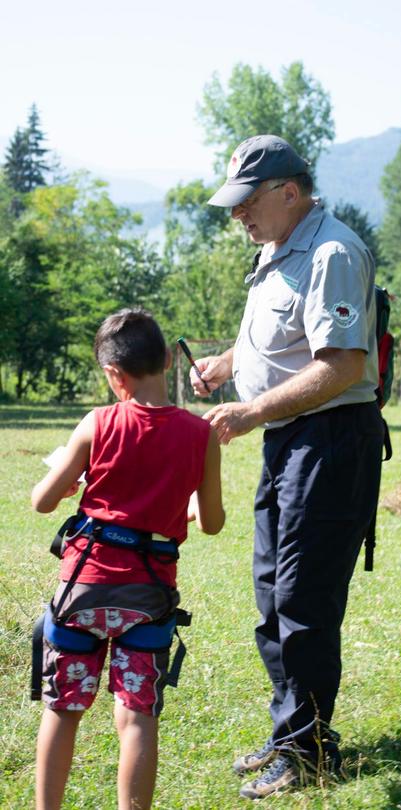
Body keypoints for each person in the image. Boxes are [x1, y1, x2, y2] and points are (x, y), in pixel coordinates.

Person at [190, 135, 384, 800]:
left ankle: (305, 754)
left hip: (329, 442)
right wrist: (226, 366)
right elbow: (284, 342)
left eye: (248, 202)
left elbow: (341, 367)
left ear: (290, 192)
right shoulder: (277, 250)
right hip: (290, 442)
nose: (238, 215)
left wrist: (248, 413)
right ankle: (292, 734)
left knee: (302, 601)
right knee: (273, 595)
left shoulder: (331, 251)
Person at [31, 308, 225, 810]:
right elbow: (212, 522)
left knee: (63, 708)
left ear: (113, 375)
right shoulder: (200, 435)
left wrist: (75, 478)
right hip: (149, 598)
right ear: (167, 358)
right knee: (137, 715)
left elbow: (42, 501)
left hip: (82, 592)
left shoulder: (97, 423)